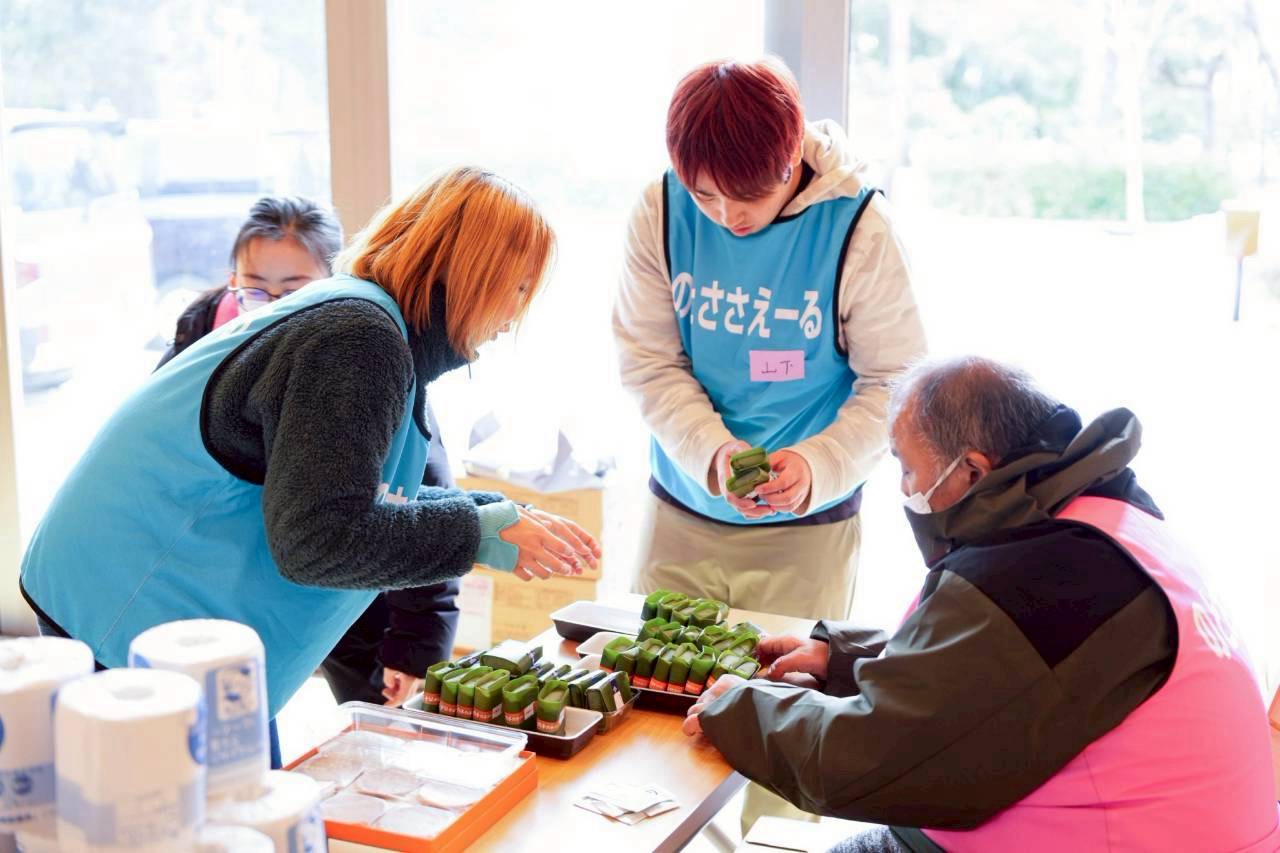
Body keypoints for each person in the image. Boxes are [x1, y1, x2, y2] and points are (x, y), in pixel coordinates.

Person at [20, 168, 602, 761]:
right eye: (519, 287)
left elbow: (360, 494)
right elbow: (320, 538)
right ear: (472, 274)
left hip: (149, 603)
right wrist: (474, 531)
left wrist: (493, 519)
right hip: (126, 608)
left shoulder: (365, 322)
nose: (515, 316)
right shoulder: (356, 340)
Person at [683, 356, 1280, 852]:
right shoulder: (1105, 522)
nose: (906, 491)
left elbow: (873, 761)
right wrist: (842, 659)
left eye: (908, 469)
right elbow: (1011, 673)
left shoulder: (1039, 571)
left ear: (971, 469)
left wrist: (742, 707)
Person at [613, 56, 926, 624]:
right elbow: (649, 363)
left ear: (790, 160)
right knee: (652, 693)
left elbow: (895, 383)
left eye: (748, 197)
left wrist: (817, 462)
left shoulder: (858, 225)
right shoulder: (660, 209)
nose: (728, 216)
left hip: (807, 534)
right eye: (705, 196)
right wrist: (713, 451)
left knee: (780, 700)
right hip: (681, 508)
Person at [156, 196, 464, 708]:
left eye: (294, 290)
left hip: (340, 579)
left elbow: (421, 493)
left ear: (335, 281)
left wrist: (416, 646)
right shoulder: (202, 342)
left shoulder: (359, 355)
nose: (275, 306)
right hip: (230, 576)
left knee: (377, 711)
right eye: (254, 288)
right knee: (232, 715)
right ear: (232, 280)